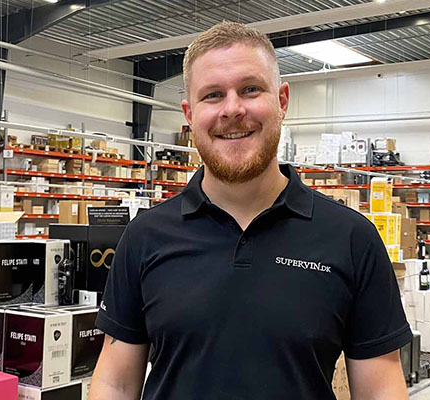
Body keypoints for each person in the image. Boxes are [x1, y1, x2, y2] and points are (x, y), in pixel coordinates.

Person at [88, 21, 412, 400]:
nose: (233, 109)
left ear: (282, 101)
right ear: (189, 114)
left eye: (250, 89)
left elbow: (381, 388)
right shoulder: (145, 236)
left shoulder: (352, 238)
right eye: (212, 95)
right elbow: (115, 381)